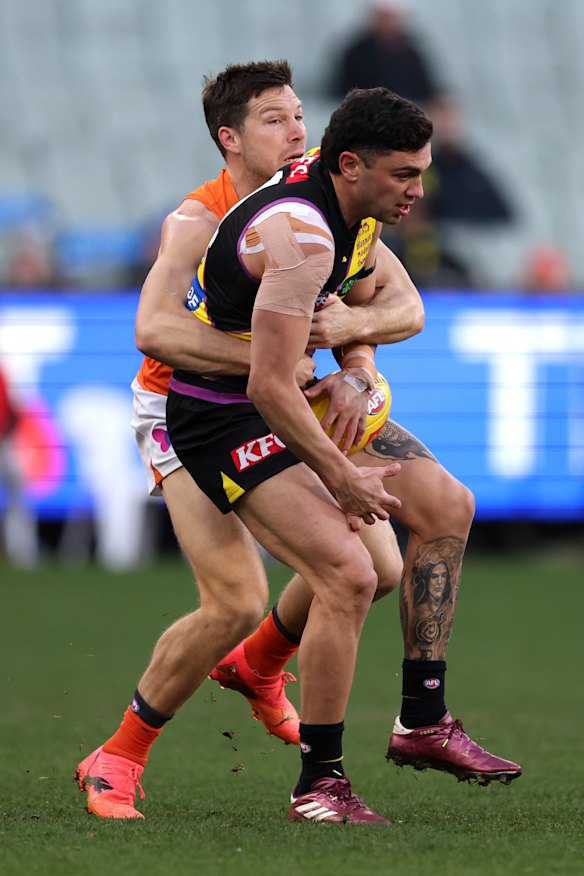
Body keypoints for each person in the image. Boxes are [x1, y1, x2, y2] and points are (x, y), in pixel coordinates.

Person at [74, 62, 420, 823]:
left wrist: (356, 359)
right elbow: (154, 331)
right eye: (273, 117)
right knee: (236, 599)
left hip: (269, 402)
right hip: (181, 406)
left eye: (299, 113)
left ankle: (261, 666)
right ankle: (118, 756)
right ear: (229, 138)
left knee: (383, 566)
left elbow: (376, 298)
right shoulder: (200, 219)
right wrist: (279, 363)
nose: (297, 129)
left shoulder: (323, 197)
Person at [329, 0, 441, 107]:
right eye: (384, 17)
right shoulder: (355, 54)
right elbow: (341, 94)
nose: (388, 23)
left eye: (392, 18)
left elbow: (427, 91)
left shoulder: (413, 54)